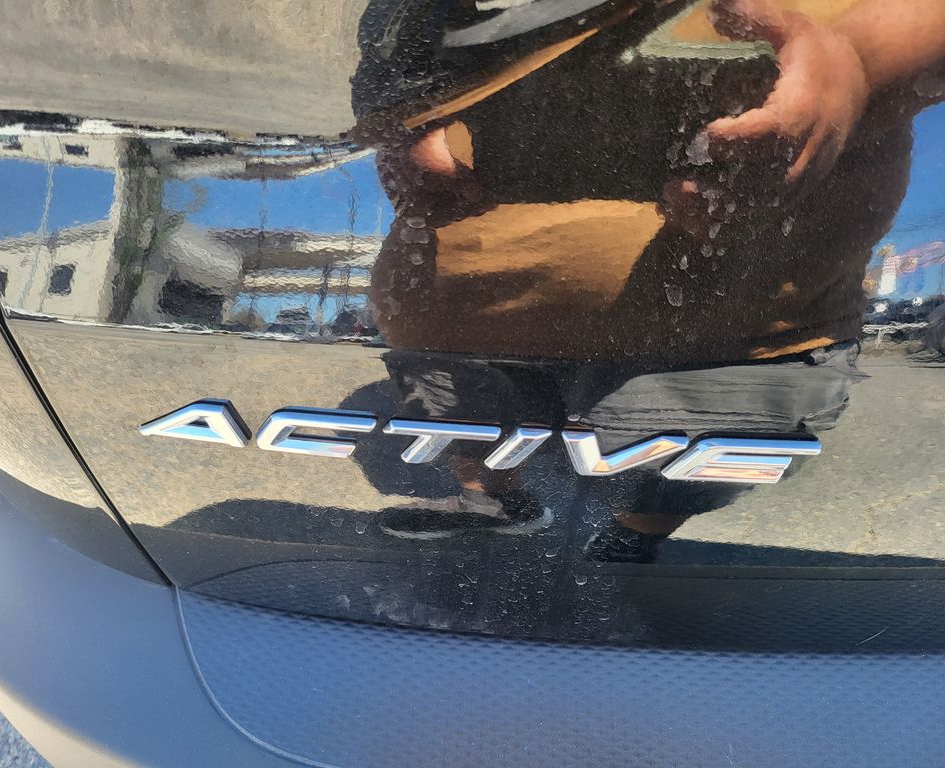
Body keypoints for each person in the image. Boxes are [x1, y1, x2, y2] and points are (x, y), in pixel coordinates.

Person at [351, 0, 945, 551]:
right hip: (456, 310)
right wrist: (402, 126)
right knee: (461, 407)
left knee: (680, 463)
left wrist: (855, 65)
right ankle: (494, 500)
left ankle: (630, 541)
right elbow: (398, 33)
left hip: (731, 327)